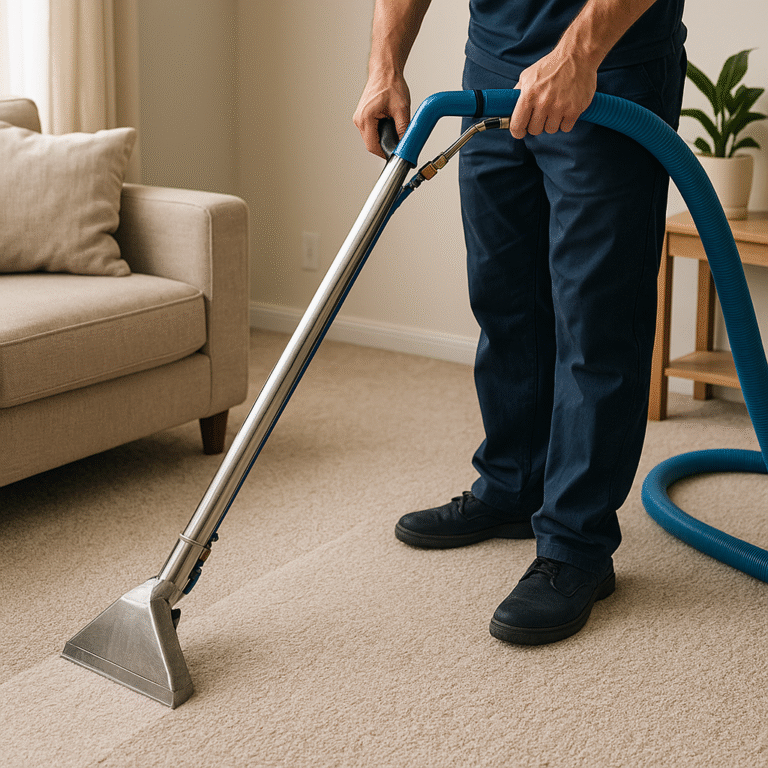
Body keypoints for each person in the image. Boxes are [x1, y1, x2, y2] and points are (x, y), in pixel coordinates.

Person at [354, 0, 686, 645]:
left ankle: (576, 545)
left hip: (606, 66)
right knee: (504, 296)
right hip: (494, 64)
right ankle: (513, 484)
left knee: (596, 317)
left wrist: (579, 53)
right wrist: (383, 66)